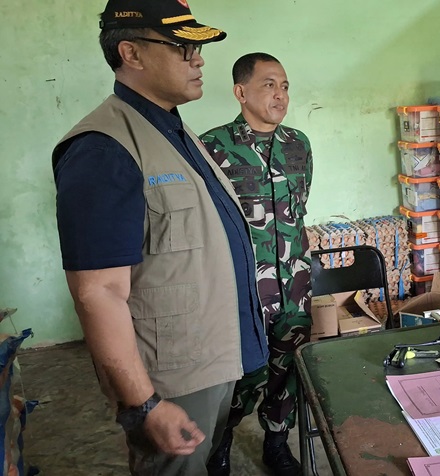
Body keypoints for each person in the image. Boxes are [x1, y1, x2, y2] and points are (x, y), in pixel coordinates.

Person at [52, 1, 269, 474]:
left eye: (198, 47)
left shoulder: (173, 129)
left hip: (216, 358)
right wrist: (144, 404)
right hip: (173, 379)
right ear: (131, 52)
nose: (198, 59)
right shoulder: (103, 149)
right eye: (182, 46)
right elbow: (98, 292)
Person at [201, 53, 313, 476]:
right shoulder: (212, 147)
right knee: (240, 374)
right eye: (269, 85)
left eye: (284, 85)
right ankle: (221, 444)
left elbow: (300, 210)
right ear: (241, 92)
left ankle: (277, 444)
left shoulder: (298, 144)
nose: (280, 94)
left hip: (294, 285)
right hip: (242, 289)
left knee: (288, 368)